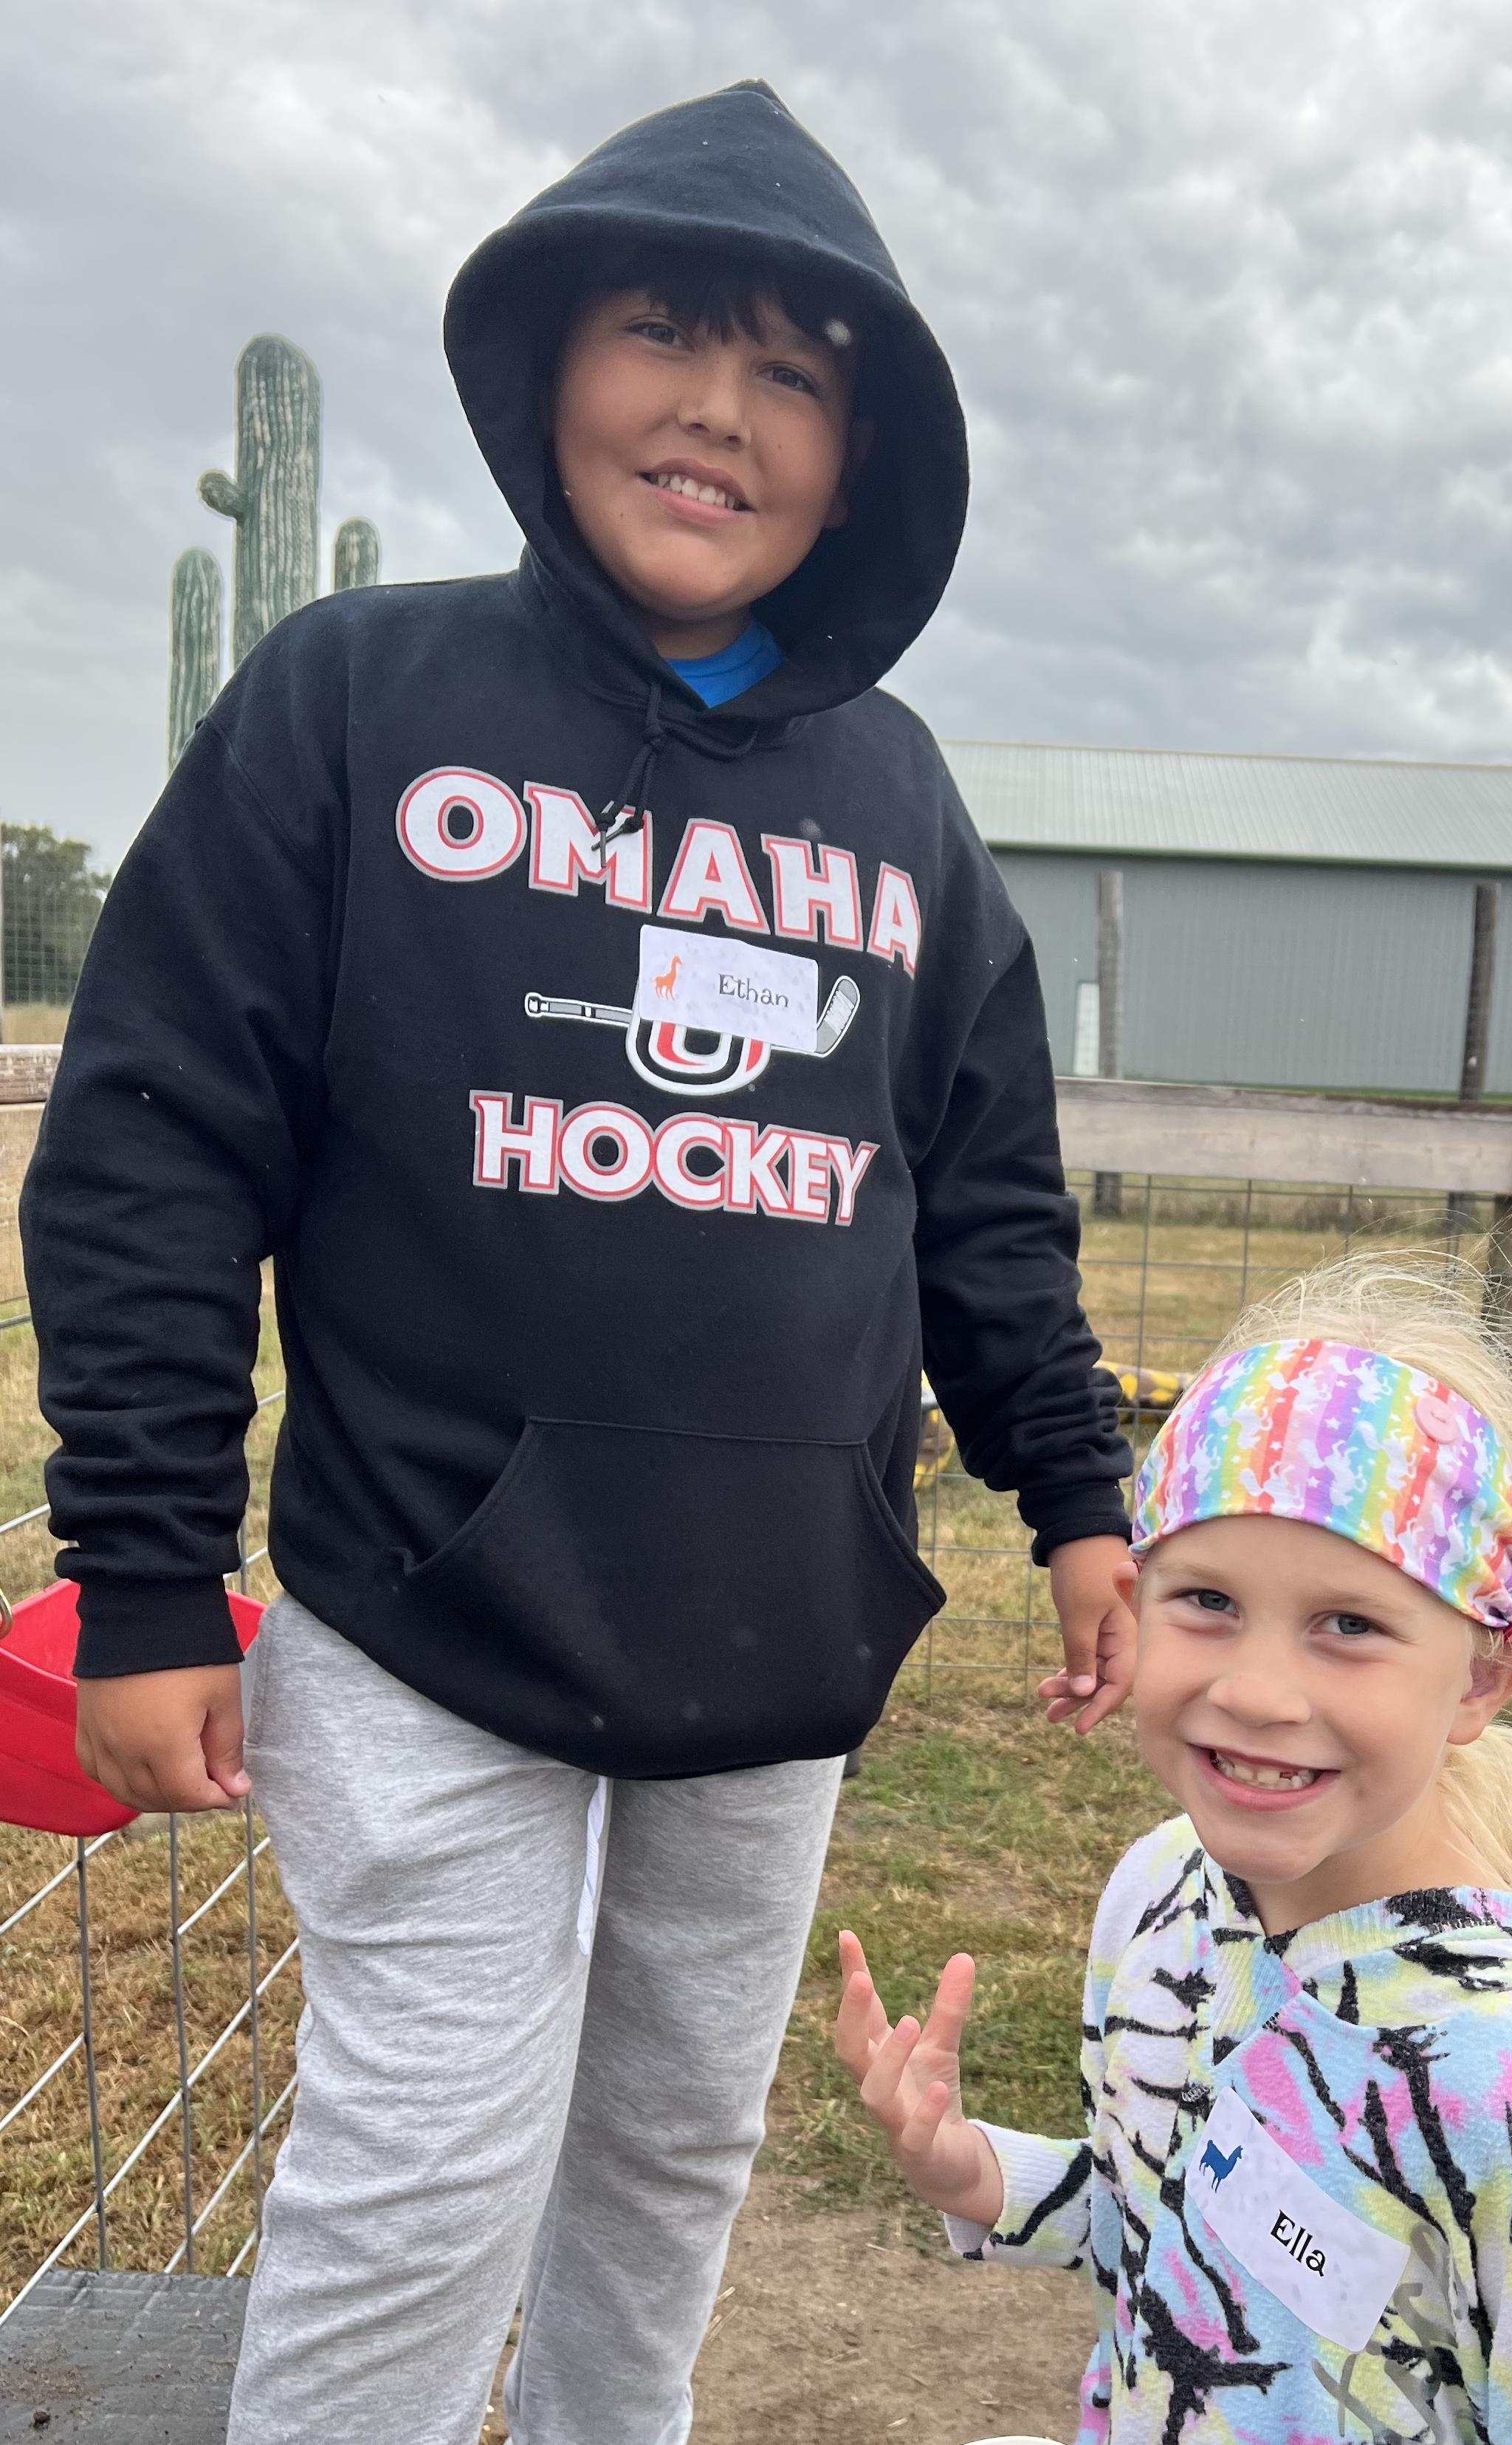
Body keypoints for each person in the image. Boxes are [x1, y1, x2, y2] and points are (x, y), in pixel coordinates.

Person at [21, 80, 1137, 2445]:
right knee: (423, 2165)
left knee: (666, 2146)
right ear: (548, 365)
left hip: (776, 1627)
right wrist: (136, 1573)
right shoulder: (355, 702)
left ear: (862, 458)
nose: (718, 410)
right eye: (661, 332)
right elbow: (152, 1145)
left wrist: (1078, 1493)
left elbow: (986, 1190)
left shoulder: (898, 803)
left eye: (796, 377)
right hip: (423, 1608)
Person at [837, 1255, 1512, 2444]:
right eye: (1206, 1600)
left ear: (1483, 1675)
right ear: (1134, 1601)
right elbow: (1166, 2223)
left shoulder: (1504, 2073)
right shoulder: (1160, 1892)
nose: (1255, 1692)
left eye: (1348, 1625)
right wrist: (972, 2172)